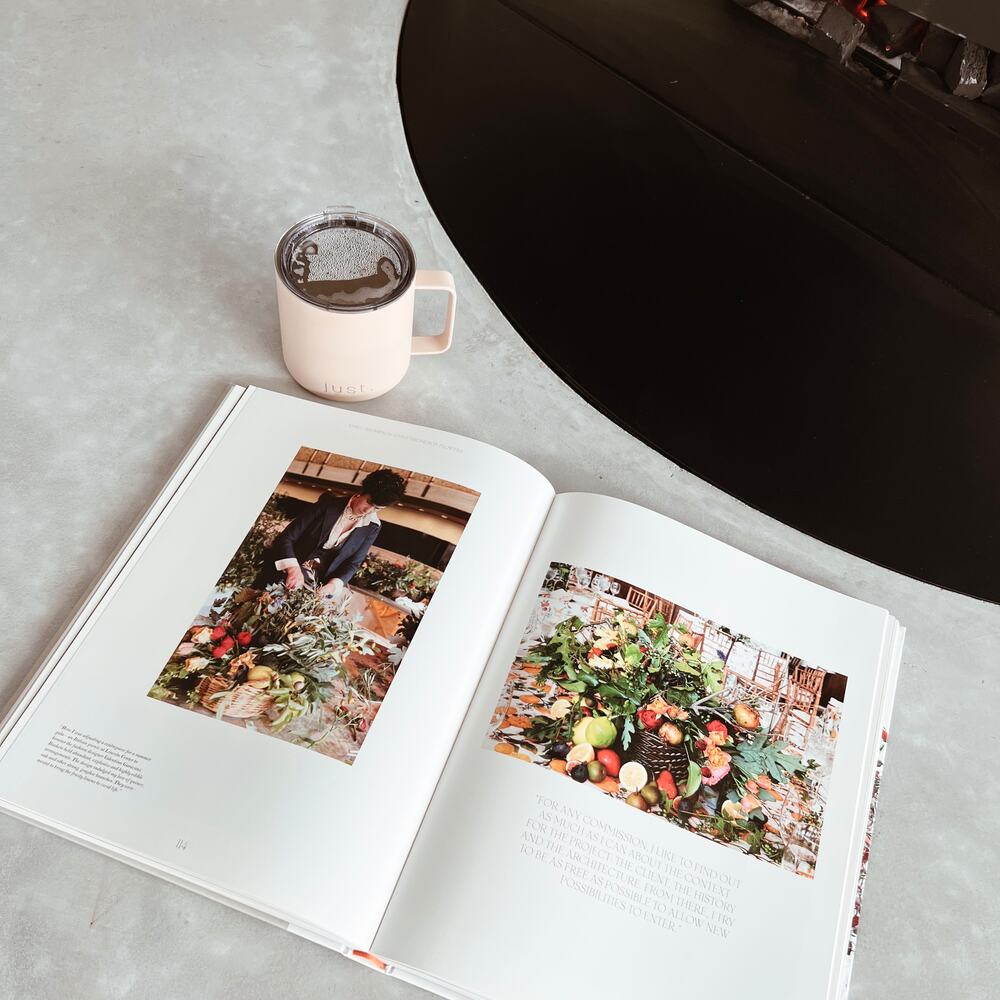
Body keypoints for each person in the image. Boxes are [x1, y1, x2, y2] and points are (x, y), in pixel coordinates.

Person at [254, 469, 406, 599]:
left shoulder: (373, 527)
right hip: (280, 574)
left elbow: (353, 563)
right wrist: (293, 569)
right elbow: (287, 538)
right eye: (369, 502)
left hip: (312, 590)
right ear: (361, 492)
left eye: (377, 508)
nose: (369, 510)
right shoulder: (328, 504)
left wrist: (334, 584)